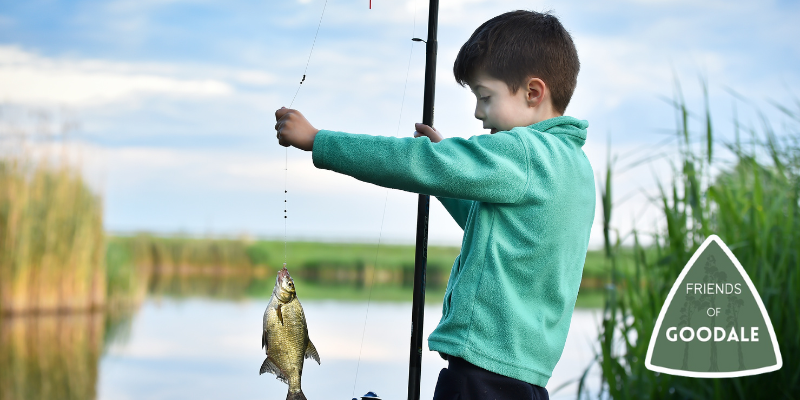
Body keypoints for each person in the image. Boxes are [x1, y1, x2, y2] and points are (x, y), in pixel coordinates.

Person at [274, 10, 594, 400]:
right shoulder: (573, 166)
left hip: (482, 371)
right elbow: (497, 227)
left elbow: (417, 164)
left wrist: (318, 140)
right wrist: (450, 173)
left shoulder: (522, 151)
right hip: (525, 377)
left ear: (533, 93)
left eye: (485, 97)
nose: (478, 113)